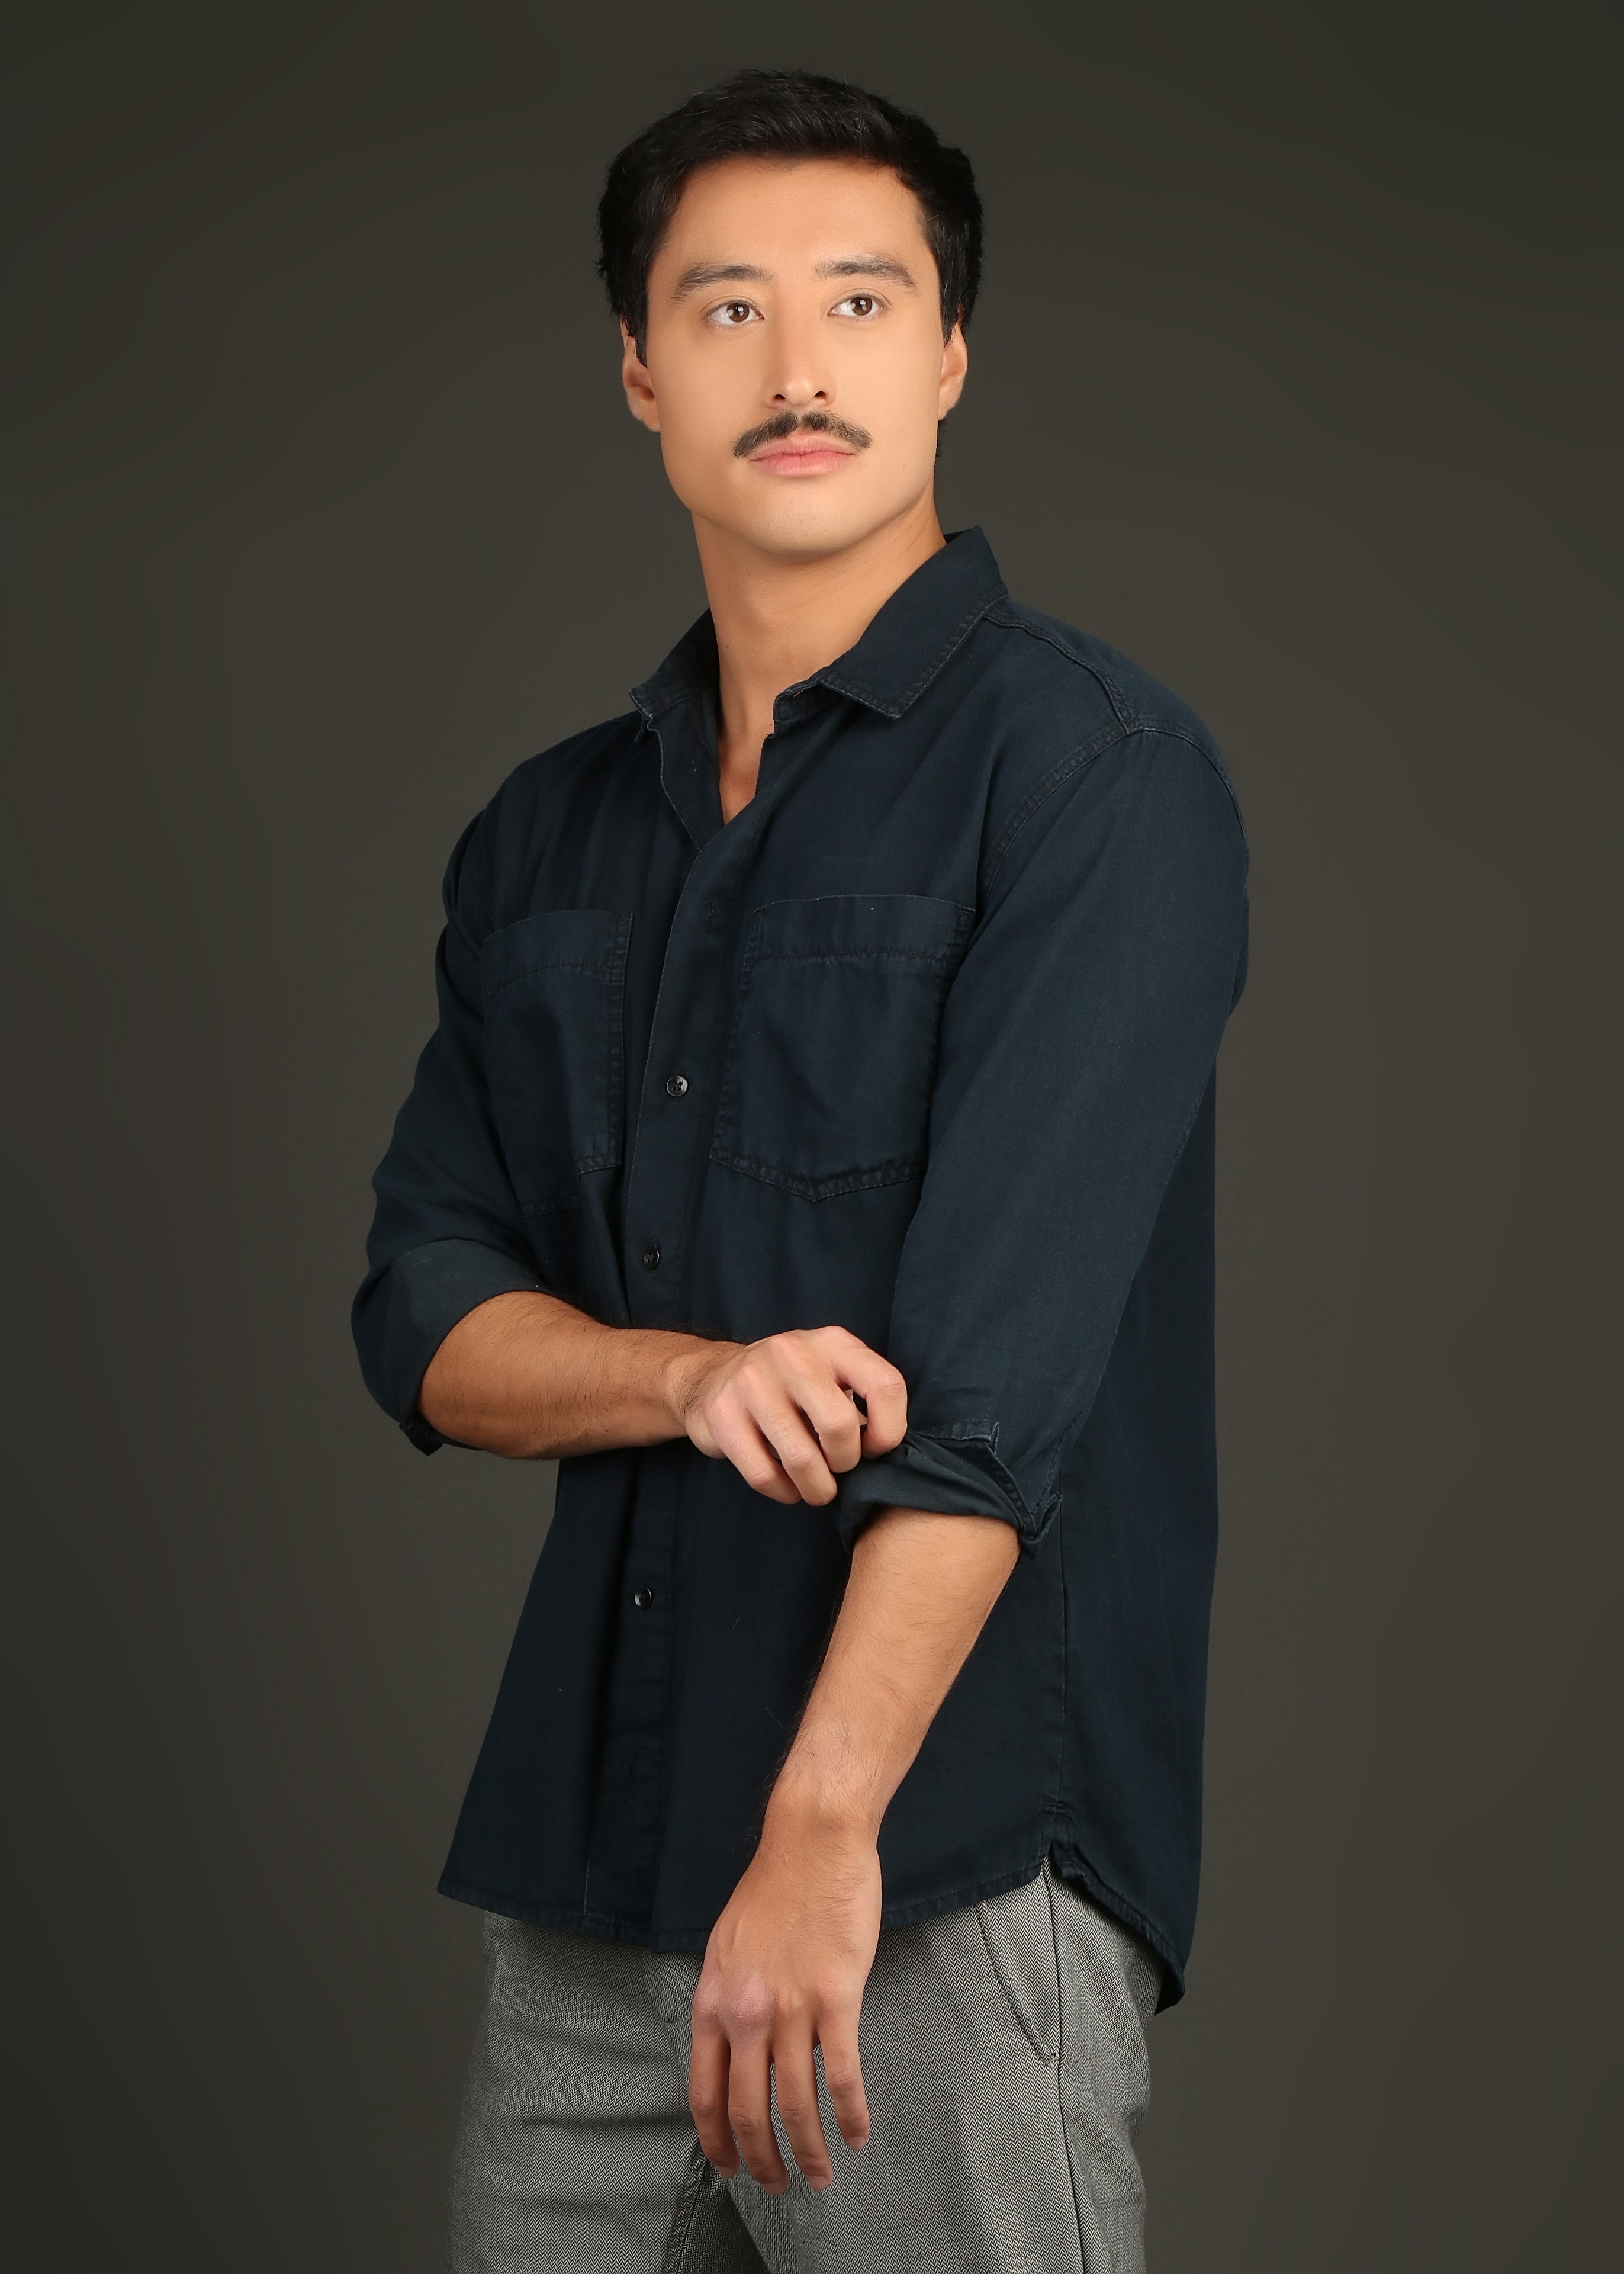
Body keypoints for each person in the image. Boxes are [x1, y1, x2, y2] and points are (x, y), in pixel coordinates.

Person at [353, 66, 1248, 2274]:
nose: (798, 364)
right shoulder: (546, 833)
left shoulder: (1094, 776)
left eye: (861, 299)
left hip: (935, 1862)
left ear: (950, 356)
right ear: (640, 371)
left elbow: (995, 1389)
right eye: (727, 307)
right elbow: (427, 1306)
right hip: (598, 1866)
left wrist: (828, 1825)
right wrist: (682, 1374)